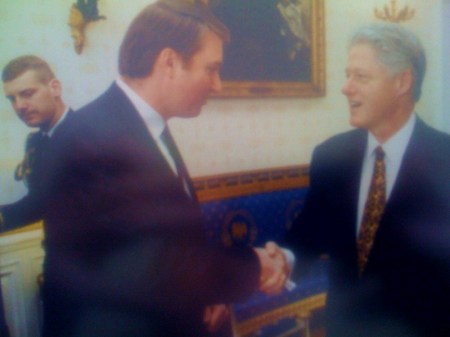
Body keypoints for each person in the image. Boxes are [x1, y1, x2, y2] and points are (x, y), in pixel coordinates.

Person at [42, 1, 290, 337]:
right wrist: (254, 266)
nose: (217, 85)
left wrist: (210, 290)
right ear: (170, 62)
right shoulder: (89, 138)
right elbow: (146, 266)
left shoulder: (143, 125)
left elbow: (170, 240)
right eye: (211, 69)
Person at [285, 23, 450, 336]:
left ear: (402, 82)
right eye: (348, 75)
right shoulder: (330, 156)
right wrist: (282, 259)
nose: (346, 88)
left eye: (360, 77)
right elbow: (310, 232)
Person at [0, 55, 74, 232]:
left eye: (27, 94)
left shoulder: (90, 135)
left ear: (54, 88)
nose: (19, 106)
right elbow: (38, 202)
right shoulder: (35, 143)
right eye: (12, 99)